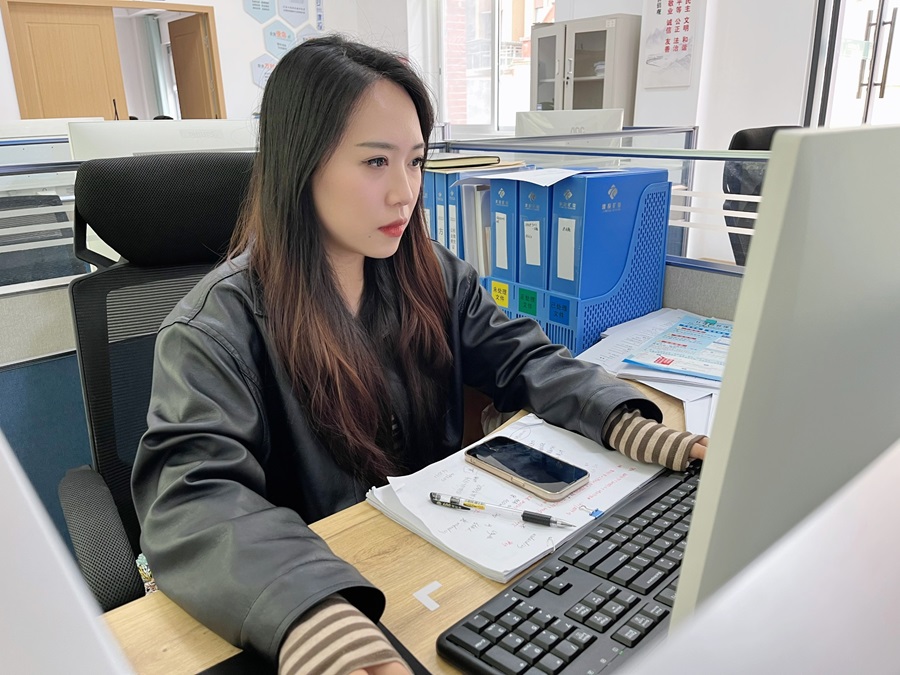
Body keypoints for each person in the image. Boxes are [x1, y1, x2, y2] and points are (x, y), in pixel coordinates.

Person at [131, 35, 707, 675]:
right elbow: (192, 498)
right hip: (324, 597)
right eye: (376, 162)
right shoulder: (213, 330)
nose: (405, 192)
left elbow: (522, 357)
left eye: (415, 162)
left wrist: (625, 420)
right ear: (301, 164)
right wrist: (310, 612)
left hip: (438, 553)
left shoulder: (429, 272)